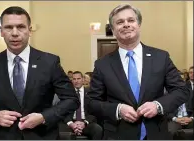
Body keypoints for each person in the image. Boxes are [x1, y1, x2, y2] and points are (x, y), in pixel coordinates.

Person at [0, 6, 79, 140]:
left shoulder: (49, 62)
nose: (15, 33)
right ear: (1, 31)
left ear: (29, 30)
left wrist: (44, 117)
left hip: (43, 136)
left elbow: (71, 99)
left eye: (21, 27)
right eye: (8, 27)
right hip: (6, 136)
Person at [85, 4, 190, 140]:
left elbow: (182, 91)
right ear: (113, 29)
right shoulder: (102, 64)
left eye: (131, 20)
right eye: (120, 22)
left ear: (139, 24)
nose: (126, 25)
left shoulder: (161, 57)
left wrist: (158, 105)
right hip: (118, 135)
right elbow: (91, 102)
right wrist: (117, 109)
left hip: (156, 134)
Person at [61, 71, 102, 139]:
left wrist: (84, 123)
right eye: (74, 79)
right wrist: (71, 124)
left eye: (78, 78)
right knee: (60, 131)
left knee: (97, 129)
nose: (76, 81)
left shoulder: (90, 93)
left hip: (85, 122)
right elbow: (63, 111)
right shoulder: (67, 93)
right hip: (71, 122)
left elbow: (94, 111)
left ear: (83, 79)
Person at [167, 66, 193, 138]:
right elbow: (165, 111)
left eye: (182, 78)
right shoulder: (168, 93)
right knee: (171, 131)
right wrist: (176, 119)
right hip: (175, 119)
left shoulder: (190, 91)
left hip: (188, 118)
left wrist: (191, 118)